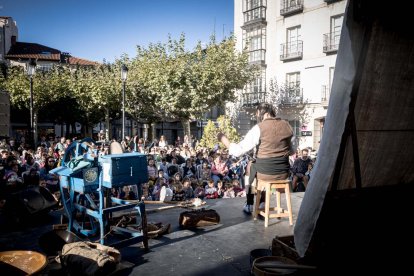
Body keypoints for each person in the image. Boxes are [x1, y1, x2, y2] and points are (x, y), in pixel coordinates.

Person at [218, 103, 295, 213]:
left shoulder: (258, 128)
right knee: (258, 168)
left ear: (266, 113)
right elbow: (292, 151)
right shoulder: (287, 125)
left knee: (250, 167)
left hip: (265, 172)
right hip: (283, 172)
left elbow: (238, 151)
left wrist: (224, 140)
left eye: (259, 115)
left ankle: (249, 203)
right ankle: (262, 201)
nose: (259, 119)